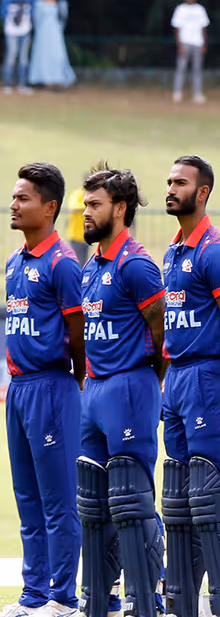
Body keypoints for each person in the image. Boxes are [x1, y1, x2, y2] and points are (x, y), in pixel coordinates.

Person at [160, 155, 220, 617]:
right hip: (176, 377)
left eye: (181, 182)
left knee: (210, 492)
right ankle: (183, 603)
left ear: (203, 192)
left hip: (208, 374)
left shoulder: (215, 250)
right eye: (170, 181)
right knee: (178, 498)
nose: (172, 188)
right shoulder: (173, 250)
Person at [76, 164, 166, 617]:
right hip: (93, 391)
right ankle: (97, 602)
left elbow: (163, 334)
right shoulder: (92, 263)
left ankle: (146, 602)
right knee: (92, 506)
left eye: (94, 205)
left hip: (129, 388)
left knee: (131, 503)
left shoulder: (137, 266)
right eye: (85, 204)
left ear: (120, 207)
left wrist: (147, 382)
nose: (85, 212)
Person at [4, 163, 85, 617]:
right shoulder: (16, 262)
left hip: (52, 388)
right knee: (27, 499)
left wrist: (66, 384)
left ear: (49, 207)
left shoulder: (62, 263)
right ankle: (33, 595)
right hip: (17, 390)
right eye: (14, 198)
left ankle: (62, 598)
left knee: (58, 500)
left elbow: (78, 335)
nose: (13, 206)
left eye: (23, 198)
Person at [27, 0, 73, 90]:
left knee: (57, 56)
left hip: (56, 33)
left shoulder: (61, 4)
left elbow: (63, 19)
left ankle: (58, 79)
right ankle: (44, 80)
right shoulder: (39, 3)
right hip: (43, 33)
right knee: (43, 55)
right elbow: (36, 19)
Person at [171, 0, 210, 105]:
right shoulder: (180, 10)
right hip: (185, 42)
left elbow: (204, 28)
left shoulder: (200, 10)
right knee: (181, 68)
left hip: (197, 42)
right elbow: (177, 28)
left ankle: (197, 93)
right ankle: (177, 92)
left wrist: (204, 43)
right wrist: (179, 44)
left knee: (197, 69)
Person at [3, 0, 34, 95]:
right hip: (11, 30)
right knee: (11, 56)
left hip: (25, 30)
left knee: (24, 58)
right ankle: (7, 83)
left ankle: (22, 84)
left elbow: (32, 12)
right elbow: (3, 12)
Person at [64, 181, 87, 264]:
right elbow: (73, 205)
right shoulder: (77, 195)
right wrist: (88, 205)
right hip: (75, 236)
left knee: (84, 262)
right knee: (77, 262)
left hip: (86, 237)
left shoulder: (90, 195)